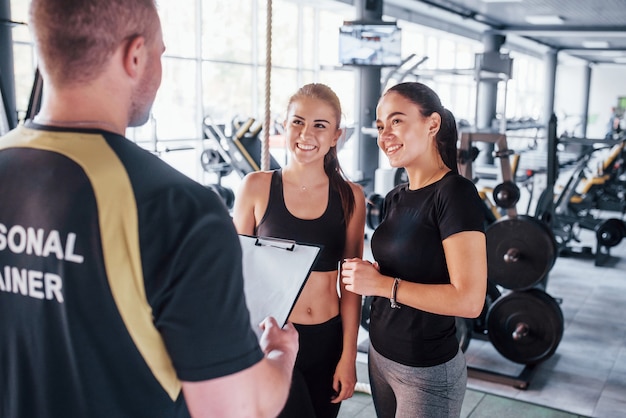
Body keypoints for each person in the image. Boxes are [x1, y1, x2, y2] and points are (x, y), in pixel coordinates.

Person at [0, 1, 298, 417]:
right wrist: (280, 354)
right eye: (160, 53)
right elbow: (237, 410)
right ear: (135, 55)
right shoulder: (181, 210)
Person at [341, 82, 487, 418]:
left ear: (432, 124)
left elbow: (469, 300)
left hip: (426, 370)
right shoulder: (396, 197)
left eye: (396, 121)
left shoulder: (455, 194)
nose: (385, 135)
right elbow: (410, 266)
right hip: (379, 356)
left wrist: (380, 286)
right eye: (380, 126)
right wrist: (376, 275)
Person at [232, 83, 366, 418]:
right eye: (298, 122)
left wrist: (348, 356)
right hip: (271, 339)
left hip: (326, 340)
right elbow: (234, 277)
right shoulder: (256, 187)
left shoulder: (351, 197)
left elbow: (351, 285)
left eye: (320, 125)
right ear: (283, 126)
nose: (306, 133)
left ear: (337, 135)